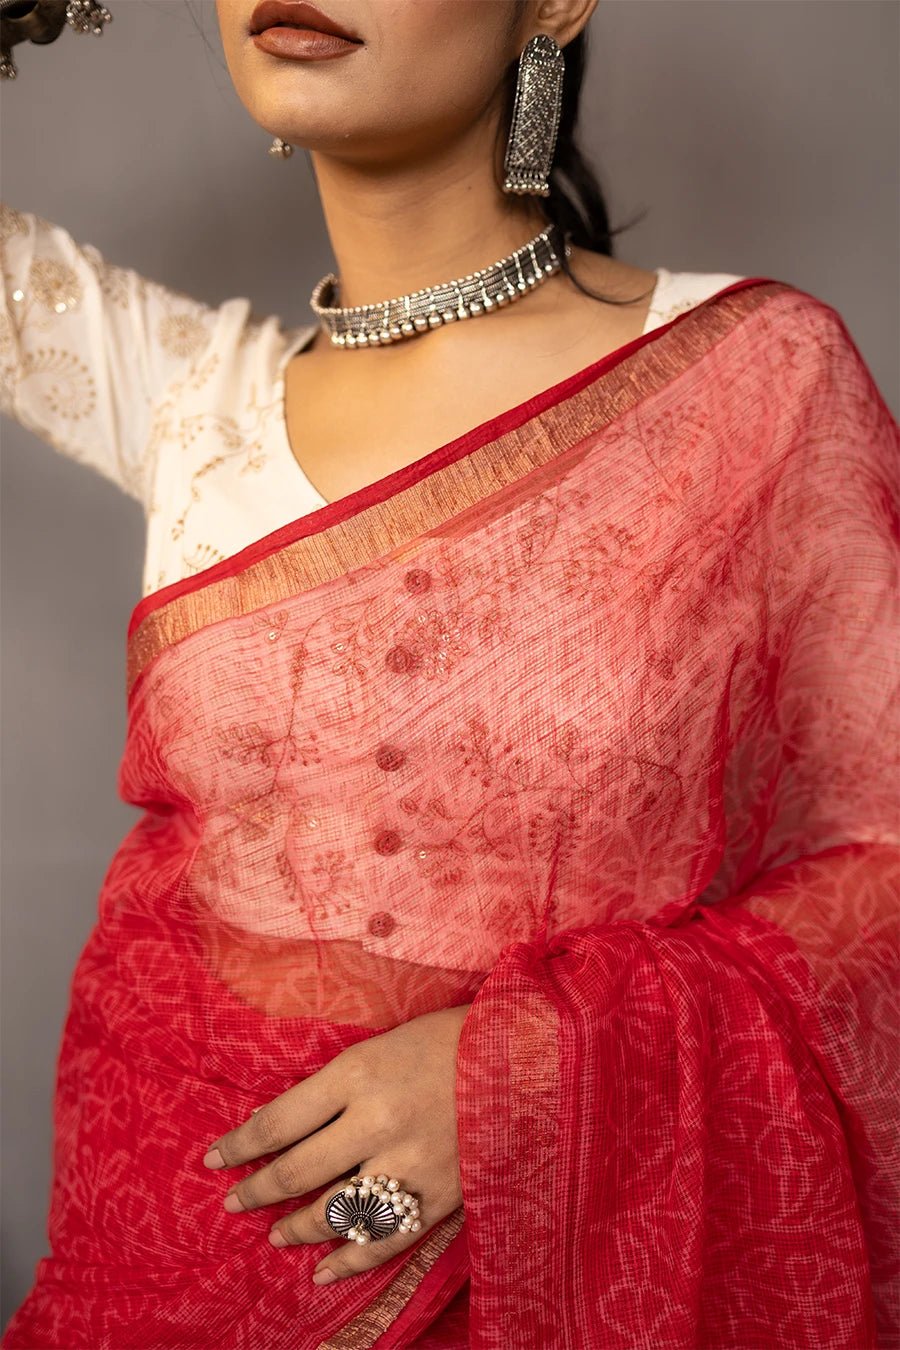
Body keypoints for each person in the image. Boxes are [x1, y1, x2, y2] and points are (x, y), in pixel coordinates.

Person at [1, 1, 897, 1347]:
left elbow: (882, 861)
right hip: (173, 1247)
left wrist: (517, 1080)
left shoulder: (750, 383)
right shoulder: (194, 404)